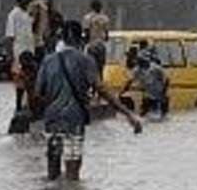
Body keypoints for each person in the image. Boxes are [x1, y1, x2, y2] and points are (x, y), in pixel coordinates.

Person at [35, 20, 141, 179]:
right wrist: (128, 114)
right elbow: (102, 90)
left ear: (61, 38)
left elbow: (38, 93)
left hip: (53, 119)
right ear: (81, 39)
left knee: (52, 169)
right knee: (72, 172)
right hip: (74, 119)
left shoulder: (48, 61)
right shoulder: (85, 61)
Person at [4, 0, 35, 112]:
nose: (28, 2)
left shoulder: (28, 14)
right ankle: (18, 106)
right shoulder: (13, 14)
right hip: (18, 52)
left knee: (29, 80)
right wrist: (10, 55)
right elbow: (9, 37)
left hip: (29, 52)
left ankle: (28, 106)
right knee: (20, 81)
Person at [121, 46, 170, 118]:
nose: (138, 62)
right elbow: (130, 81)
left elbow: (167, 79)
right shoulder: (137, 70)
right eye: (138, 60)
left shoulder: (156, 68)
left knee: (163, 116)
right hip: (148, 96)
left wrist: (163, 92)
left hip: (160, 96)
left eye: (141, 60)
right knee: (143, 115)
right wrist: (122, 92)